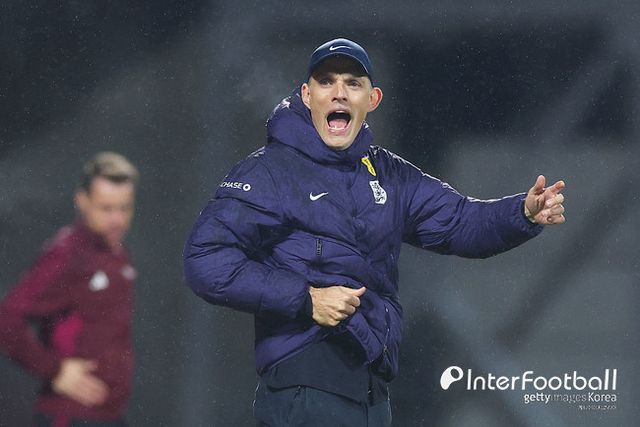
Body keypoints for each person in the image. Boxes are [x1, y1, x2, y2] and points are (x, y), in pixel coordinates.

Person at [183, 38, 566, 426]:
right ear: (307, 95)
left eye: (353, 83)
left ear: (373, 99)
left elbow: (459, 221)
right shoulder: (271, 171)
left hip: (371, 393)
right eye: (326, 81)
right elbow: (206, 259)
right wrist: (306, 299)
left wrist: (522, 212)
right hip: (305, 384)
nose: (339, 93)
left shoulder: (389, 175)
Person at [0, 152, 139, 427]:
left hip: (108, 416)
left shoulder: (116, 254)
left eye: (124, 208)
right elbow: (5, 318)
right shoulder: (68, 254)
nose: (117, 219)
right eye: (106, 208)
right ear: (82, 200)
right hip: (70, 416)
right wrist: (53, 369)